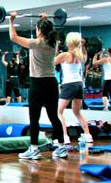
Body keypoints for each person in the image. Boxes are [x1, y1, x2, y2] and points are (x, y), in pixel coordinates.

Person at [9, 13, 68, 159]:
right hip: (52, 83)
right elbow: (48, 31)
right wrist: (44, 20)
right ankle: (61, 148)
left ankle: (34, 149)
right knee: (54, 116)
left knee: (34, 118)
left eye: (37, 29)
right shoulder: (52, 44)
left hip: (37, 84)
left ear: (40, 31)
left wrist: (11, 21)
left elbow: (13, 37)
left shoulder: (36, 43)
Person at [55, 32, 92, 147]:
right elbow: (59, 58)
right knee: (77, 112)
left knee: (59, 112)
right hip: (79, 84)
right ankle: (88, 135)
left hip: (69, 85)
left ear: (68, 42)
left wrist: (55, 45)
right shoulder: (81, 55)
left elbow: (52, 62)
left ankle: (64, 137)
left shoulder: (65, 55)